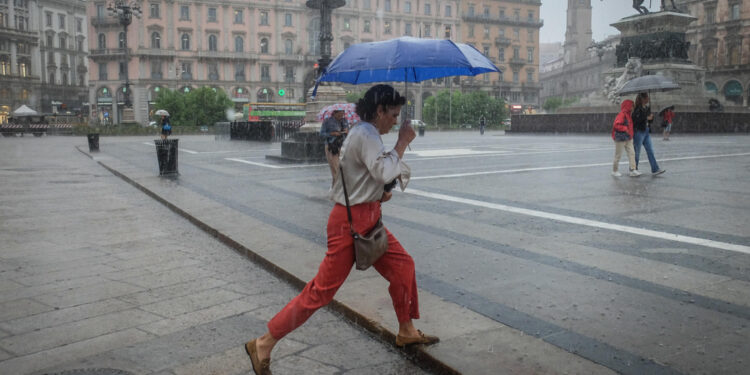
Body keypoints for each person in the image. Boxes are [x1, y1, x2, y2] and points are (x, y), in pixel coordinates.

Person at [244, 84, 437, 375]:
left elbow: (364, 176)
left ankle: (406, 328)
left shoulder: (364, 133)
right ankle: (264, 343)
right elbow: (384, 170)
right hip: (350, 224)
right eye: (394, 114)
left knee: (403, 266)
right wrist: (402, 142)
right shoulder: (366, 134)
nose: (397, 120)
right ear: (380, 110)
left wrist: (378, 192)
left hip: (367, 217)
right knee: (320, 292)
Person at [631, 92, 666, 176]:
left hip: (646, 131)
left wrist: (651, 118)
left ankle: (655, 169)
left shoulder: (647, 108)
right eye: (646, 98)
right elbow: (635, 120)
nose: (648, 99)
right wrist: (646, 117)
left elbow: (649, 121)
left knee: (650, 150)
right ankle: (633, 169)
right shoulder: (637, 109)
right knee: (637, 152)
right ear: (642, 99)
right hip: (638, 131)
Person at [319, 109, 349, 187]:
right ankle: (338, 190)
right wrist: (332, 133)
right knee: (336, 169)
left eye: (342, 114)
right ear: (334, 113)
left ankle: (335, 189)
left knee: (343, 169)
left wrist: (347, 131)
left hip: (342, 146)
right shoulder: (327, 121)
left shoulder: (344, 120)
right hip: (332, 146)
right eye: (339, 115)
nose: (341, 116)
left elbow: (348, 133)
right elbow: (321, 134)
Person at [611, 100, 640, 177]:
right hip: (621, 137)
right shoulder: (622, 115)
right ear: (628, 106)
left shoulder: (628, 115)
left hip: (628, 137)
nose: (633, 107)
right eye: (632, 106)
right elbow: (616, 125)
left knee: (632, 153)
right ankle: (615, 170)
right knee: (618, 155)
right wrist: (625, 129)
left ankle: (633, 169)